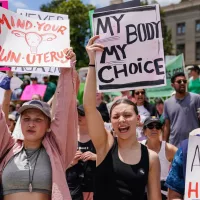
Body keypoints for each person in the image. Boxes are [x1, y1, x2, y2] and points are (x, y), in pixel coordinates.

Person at [83, 35, 161, 200]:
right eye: (116, 116)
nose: (122, 120)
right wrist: (92, 63)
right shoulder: (104, 146)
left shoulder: (151, 158)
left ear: (138, 119)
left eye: (127, 115)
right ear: (110, 122)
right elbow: (89, 107)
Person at [0, 49, 79, 200]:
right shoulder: (7, 146)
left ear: (49, 125)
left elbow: (63, 108)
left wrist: (66, 67)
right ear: (19, 122)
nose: (31, 124)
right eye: (26, 118)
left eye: (38, 119)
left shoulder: (56, 149)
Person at [141, 116, 177, 200]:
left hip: (163, 194)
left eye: (157, 126)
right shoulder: (139, 147)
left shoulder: (169, 149)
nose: (154, 129)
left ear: (161, 130)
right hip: (142, 192)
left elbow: (185, 164)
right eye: (150, 126)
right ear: (144, 131)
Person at [66, 105, 96, 200]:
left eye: (82, 114)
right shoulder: (69, 136)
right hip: (73, 187)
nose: (78, 116)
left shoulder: (98, 136)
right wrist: (72, 162)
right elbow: (58, 165)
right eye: (77, 113)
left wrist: (95, 157)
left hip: (93, 187)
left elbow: (111, 159)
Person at [163, 72, 200, 147]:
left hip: (194, 143)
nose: (182, 83)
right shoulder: (167, 103)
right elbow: (167, 126)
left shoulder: (196, 98)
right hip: (175, 144)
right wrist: (164, 145)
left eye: (184, 81)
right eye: (179, 81)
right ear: (172, 85)